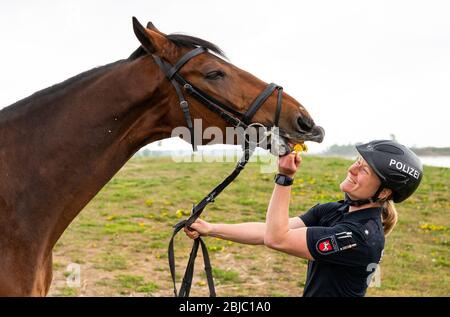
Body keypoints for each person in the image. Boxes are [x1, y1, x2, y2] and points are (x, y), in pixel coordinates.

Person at [184, 140, 423, 297]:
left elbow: (276, 239)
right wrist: (211, 228)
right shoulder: (336, 211)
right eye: (357, 162)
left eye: (364, 170)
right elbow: (269, 231)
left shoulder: (360, 237)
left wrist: (285, 178)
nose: (352, 169)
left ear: (384, 192)